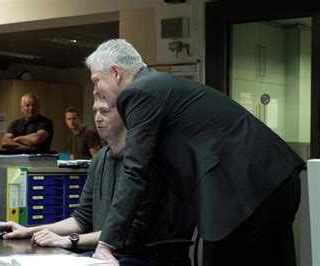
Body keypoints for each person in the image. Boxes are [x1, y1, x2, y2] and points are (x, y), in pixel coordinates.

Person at [85, 38, 305, 266]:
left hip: (248, 191)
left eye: (96, 80)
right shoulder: (157, 85)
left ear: (116, 72)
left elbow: (135, 170)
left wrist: (106, 244)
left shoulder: (139, 92)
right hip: (275, 178)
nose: (95, 90)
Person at [0, 96, 176, 266]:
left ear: (126, 116)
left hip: (137, 257)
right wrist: (29, 230)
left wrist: (69, 240)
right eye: (95, 111)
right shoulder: (99, 159)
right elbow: (82, 219)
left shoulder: (144, 162)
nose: (97, 118)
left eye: (104, 111)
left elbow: (129, 234)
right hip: (102, 252)